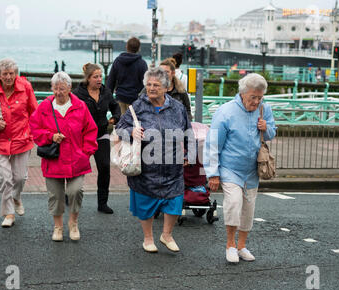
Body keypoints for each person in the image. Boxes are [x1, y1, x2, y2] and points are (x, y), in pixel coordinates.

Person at [115, 67, 194, 254]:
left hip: (172, 165)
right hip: (146, 166)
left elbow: (188, 131)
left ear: (166, 88)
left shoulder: (177, 107)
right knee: (145, 203)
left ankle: (166, 235)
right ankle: (148, 238)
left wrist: (189, 154)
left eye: (156, 85)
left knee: (174, 201)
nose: (151, 88)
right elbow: (119, 128)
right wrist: (131, 132)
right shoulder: (137, 106)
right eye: (149, 85)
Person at [203, 73, 276, 263]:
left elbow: (271, 133)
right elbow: (212, 143)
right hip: (230, 168)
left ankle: (242, 245)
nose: (257, 101)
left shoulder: (264, 109)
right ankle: (230, 245)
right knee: (234, 203)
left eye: (260, 97)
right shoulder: (226, 112)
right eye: (253, 97)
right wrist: (213, 174)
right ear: (242, 93)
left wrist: (265, 127)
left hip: (252, 169)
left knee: (248, 209)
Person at [29, 72, 98, 241]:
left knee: (76, 191)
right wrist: (50, 136)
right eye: (55, 88)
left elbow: (90, 130)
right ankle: (58, 226)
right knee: (56, 196)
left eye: (62, 88)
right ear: (51, 88)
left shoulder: (80, 106)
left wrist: (86, 152)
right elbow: (34, 129)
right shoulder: (44, 107)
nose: (58, 92)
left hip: (77, 159)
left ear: (69, 88)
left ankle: (73, 223)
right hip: (53, 160)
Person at [0, 58, 38, 228]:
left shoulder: (25, 87)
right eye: (5, 74)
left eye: (11, 73)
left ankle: (16, 197)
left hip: (21, 138)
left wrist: (33, 132)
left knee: (19, 178)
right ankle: (9, 213)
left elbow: (34, 112)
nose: (9, 77)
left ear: (16, 74)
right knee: (4, 179)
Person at [73, 63, 121, 214]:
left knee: (105, 167)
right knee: (77, 168)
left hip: (101, 134)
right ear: (88, 78)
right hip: (83, 137)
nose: (99, 79)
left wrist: (115, 118)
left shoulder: (105, 91)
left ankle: (102, 203)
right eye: (96, 77)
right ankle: (70, 194)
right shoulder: (77, 94)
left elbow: (115, 106)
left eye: (101, 76)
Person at [106, 37, 148, 115]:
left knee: (121, 124)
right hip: (136, 100)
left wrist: (108, 100)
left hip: (120, 98)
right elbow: (146, 84)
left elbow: (110, 81)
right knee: (135, 125)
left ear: (126, 46)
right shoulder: (142, 63)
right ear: (139, 48)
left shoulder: (118, 61)